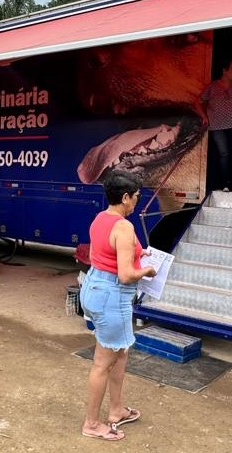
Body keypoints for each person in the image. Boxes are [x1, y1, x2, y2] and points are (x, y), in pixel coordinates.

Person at [80, 170, 156, 441]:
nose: (137, 201)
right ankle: (91, 423)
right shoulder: (124, 227)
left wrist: (140, 252)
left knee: (120, 352)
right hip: (113, 296)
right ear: (125, 197)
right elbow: (125, 275)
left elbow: (103, 254)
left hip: (94, 288)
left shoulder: (101, 218)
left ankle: (116, 410)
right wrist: (146, 271)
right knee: (103, 362)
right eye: (136, 197)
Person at [197, 59, 232, 192]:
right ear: (224, 70)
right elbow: (198, 101)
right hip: (217, 125)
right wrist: (204, 116)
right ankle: (225, 184)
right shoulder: (212, 87)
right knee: (223, 154)